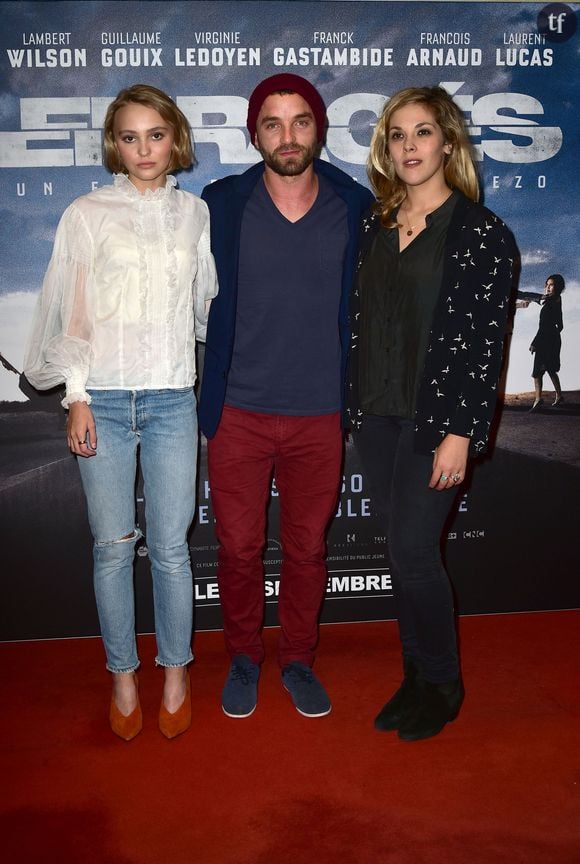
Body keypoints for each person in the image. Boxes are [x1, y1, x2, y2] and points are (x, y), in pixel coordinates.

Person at [24, 84, 218, 741]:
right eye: (130, 136)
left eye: (155, 135)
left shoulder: (194, 215)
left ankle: (174, 671)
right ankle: (123, 676)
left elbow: (204, 303)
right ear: (114, 142)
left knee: (170, 550)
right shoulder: (85, 213)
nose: (144, 149)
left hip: (171, 398)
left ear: (175, 139)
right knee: (112, 548)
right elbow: (72, 311)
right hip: (102, 398)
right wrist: (75, 393)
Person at [198, 73, 374, 719]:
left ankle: (298, 659)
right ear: (254, 134)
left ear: (318, 128)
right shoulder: (220, 204)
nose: (288, 135)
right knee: (239, 549)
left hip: (320, 415)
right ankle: (245, 657)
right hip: (238, 412)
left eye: (300, 120)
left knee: (306, 548)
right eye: (272, 123)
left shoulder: (355, 206)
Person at [347, 86, 517, 741]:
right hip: (377, 414)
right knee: (400, 554)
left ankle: (443, 683)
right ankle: (415, 676)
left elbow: (485, 344)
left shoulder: (481, 232)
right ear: (386, 147)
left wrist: (460, 434)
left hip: (434, 420)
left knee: (417, 553)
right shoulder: (374, 224)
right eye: (397, 134)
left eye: (422, 132)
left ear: (448, 141)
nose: (409, 146)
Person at [528, 274, 565, 410]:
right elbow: (560, 326)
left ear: (558, 287)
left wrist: (534, 343)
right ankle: (559, 396)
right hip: (553, 339)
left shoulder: (549, 304)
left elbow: (543, 327)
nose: (548, 288)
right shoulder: (557, 301)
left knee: (537, 372)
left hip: (545, 341)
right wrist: (554, 335)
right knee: (550, 369)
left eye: (551, 285)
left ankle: (538, 400)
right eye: (547, 285)